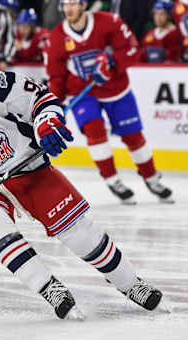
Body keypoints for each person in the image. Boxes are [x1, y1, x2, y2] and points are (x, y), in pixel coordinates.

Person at [0, 41, 163, 320]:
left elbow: (41, 100)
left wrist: (46, 122)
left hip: (26, 167)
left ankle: (131, 284)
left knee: (80, 231)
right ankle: (49, 288)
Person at [45, 0, 174, 204]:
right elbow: (56, 76)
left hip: (116, 90)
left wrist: (112, 63)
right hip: (83, 93)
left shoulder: (110, 22)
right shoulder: (57, 38)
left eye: (73, 4)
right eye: (65, 4)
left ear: (84, 5)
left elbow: (132, 50)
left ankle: (151, 178)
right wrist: (55, 103)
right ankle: (112, 179)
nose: (68, 9)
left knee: (133, 136)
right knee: (94, 130)